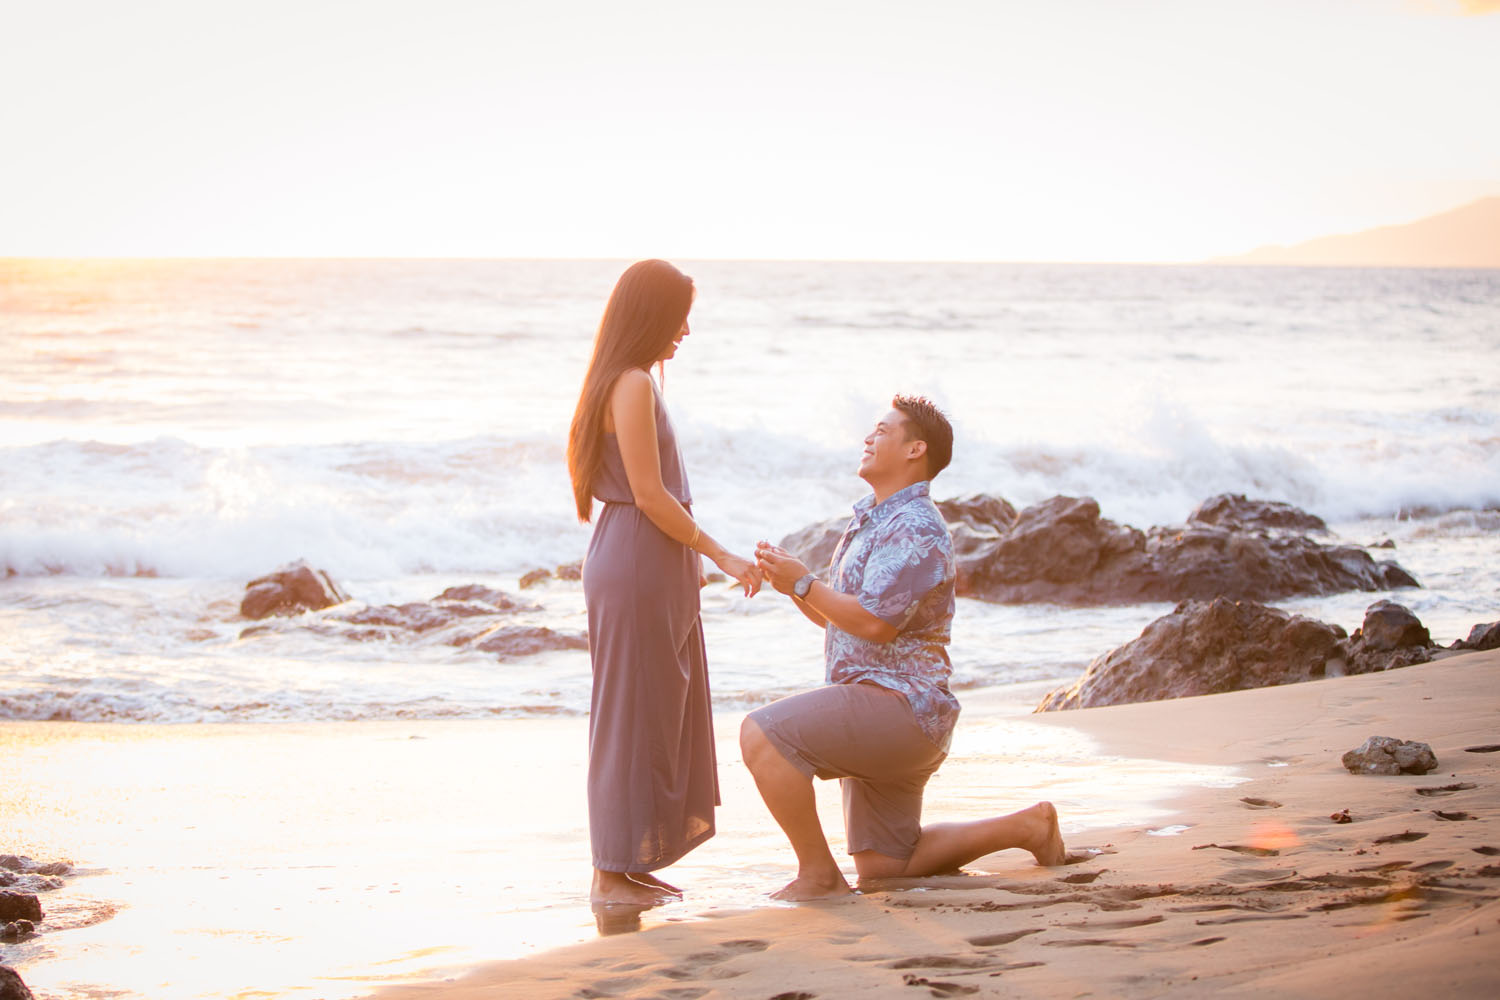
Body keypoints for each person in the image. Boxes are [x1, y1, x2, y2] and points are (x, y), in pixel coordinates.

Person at [747, 395, 1066, 900]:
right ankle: (1030, 827)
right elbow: (843, 619)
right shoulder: (872, 521)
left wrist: (806, 582)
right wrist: (791, 584)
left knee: (761, 736)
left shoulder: (915, 525)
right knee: (886, 869)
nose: (868, 438)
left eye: (881, 430)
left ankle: (819, 875)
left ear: (916, 449)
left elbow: (875, 625)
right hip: (881, 707)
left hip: (902, 708)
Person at [566, 259, 761, 906]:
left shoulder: (623, 381)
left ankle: (627, 860)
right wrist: (724, 556)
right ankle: (610, 871)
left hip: (639, 558)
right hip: (638, 557)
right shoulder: (632, 385)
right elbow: (650, 496)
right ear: (651, 315)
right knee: (630, 714)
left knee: (647, 712)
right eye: (679, 317)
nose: (685, 331)